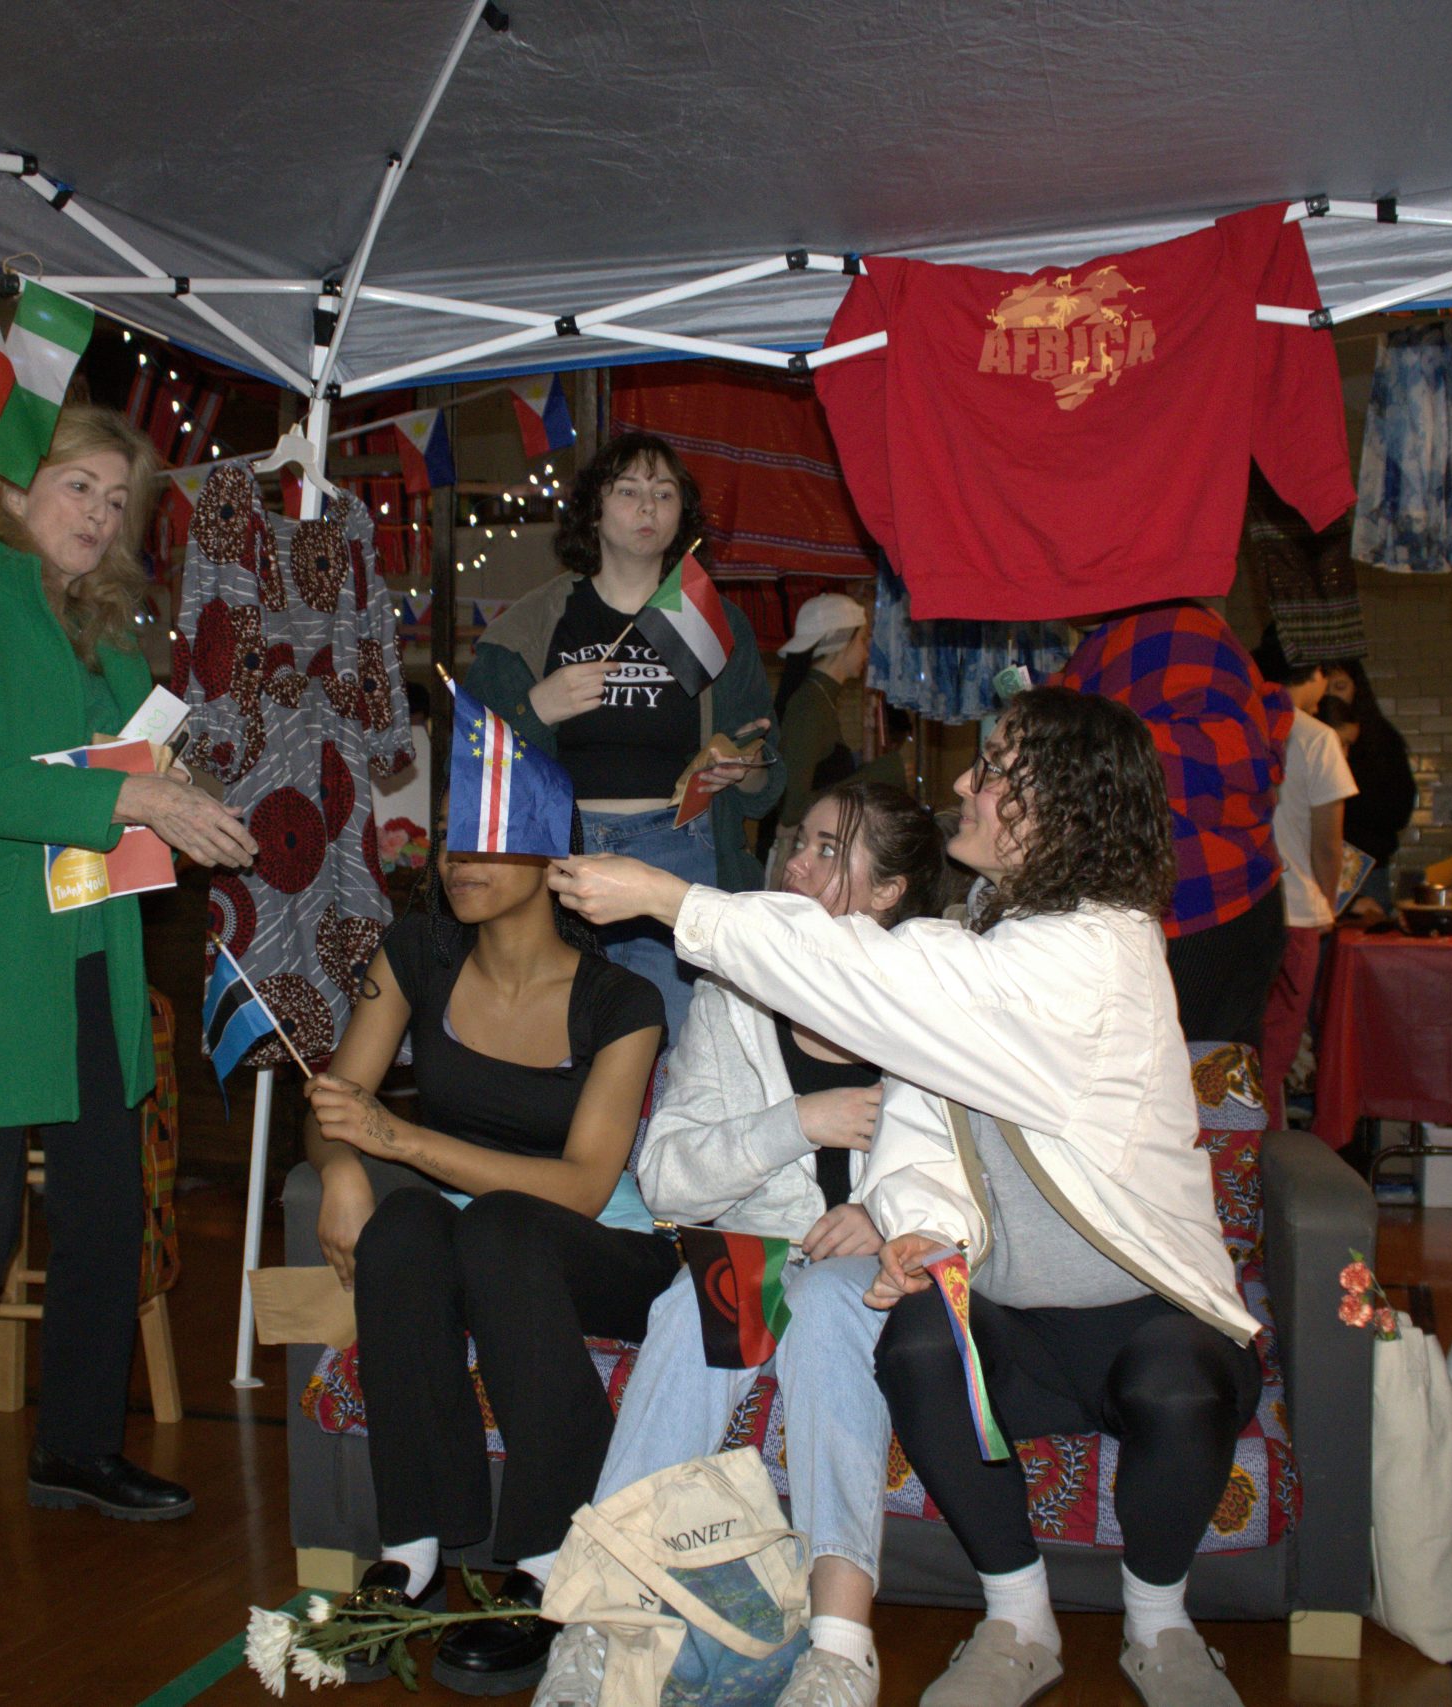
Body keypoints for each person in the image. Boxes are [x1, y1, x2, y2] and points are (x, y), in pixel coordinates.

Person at [551, 688, 1264, 1707]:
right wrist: (916, 1218)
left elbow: (890, 991)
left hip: (1132, 1309)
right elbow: (936, 1125)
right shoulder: (970, 934)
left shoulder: (1084, 954)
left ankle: (1130, 1628)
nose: (966, 785)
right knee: (724, 1306)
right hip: (838, 1269)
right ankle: (608, 1615)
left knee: (872, 1316)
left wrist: (673, 902)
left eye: (993, 771)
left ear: (1058, 805)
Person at [0, 406, 260, 1576]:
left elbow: (143, 788)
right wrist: (137, 801)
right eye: (80, 487)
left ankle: (75, 1447)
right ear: (11, 494)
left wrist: (196, 790)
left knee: (105, 1219)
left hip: (89, 961)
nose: (99, 515)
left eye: (117, 500)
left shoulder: (115, 651)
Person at [535, 780, 948, 1707]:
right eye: (797, 842)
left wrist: (886, 1214)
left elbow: (979, 1165)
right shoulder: (735, 994)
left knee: (832, 1304)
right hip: (761, 1257)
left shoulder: (932, 992)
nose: (796, 864)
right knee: (695, 1299)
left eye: (830, 850)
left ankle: (840, 1653)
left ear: (889, 891)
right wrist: (799, 1119)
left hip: (886, 1272)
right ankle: (601, 1628)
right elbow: (668, 1176)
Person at [304, 826, 669, 1696]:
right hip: (477, 1237)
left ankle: (550, 1554)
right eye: (452, 846)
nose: (459, 866)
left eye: (488, 849)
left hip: (604, 1249)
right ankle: (412, 1552)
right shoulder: (417, 953)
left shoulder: (624, 999)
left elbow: (581, 1186)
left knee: (500, 1227)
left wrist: (399, 1138)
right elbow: (335, 1103)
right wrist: (346, 1166)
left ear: (552, 863)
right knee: (401, 1229)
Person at [464, 432, 784, 1041]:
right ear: (594, 508)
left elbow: (766, 762)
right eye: (629, 491)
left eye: (664, 494)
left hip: (680, 851)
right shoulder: (533, 624)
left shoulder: (710, 620)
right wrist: (537, 707)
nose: (647, 508)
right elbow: (477, 770)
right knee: (564, 1047)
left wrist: (744, 768)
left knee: (675, 1052)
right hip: (561, 861)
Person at [1060, 601, 1288, 1051]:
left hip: (1201, 906)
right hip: (1211, 898)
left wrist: (1093, 749)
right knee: (1211, 1086)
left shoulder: (1172, 632)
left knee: (1181, 1085)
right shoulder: (1116, 644)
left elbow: (1237, 761)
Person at [1251, 634, 1356, 1127]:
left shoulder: (1235, 728)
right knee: (1274, 1055)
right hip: (1295, 913)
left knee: (1233, 1052)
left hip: (1236, 910)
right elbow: (1328, 842)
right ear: (1312, 674)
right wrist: (1330, 903)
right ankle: (1258, 1180)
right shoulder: (1317, 738)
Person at [757, 592, 872, 856]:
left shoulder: (818, 699)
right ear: (842, 641)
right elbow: (791, 808)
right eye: (863, 640)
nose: (866, 651)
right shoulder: (809, 705)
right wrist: (873, 777)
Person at [1316, 659, 1414, 910]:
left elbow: (1398, 808)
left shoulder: (1380, 740)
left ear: (1357, 688)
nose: (1331, 697)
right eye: (1324, 688)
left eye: (1339, 687)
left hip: (1364, 868)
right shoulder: (1302, 740)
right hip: (1315, 869)